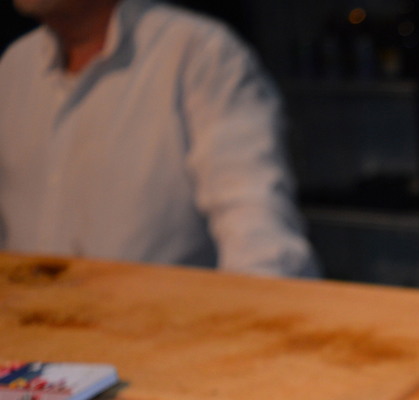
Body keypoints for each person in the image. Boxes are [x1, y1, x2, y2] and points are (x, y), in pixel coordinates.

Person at [0, 0, 320, 278]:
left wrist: (256, 313)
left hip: (161, 324)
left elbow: (256, 227)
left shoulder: (198, 51)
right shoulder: (15, 66)